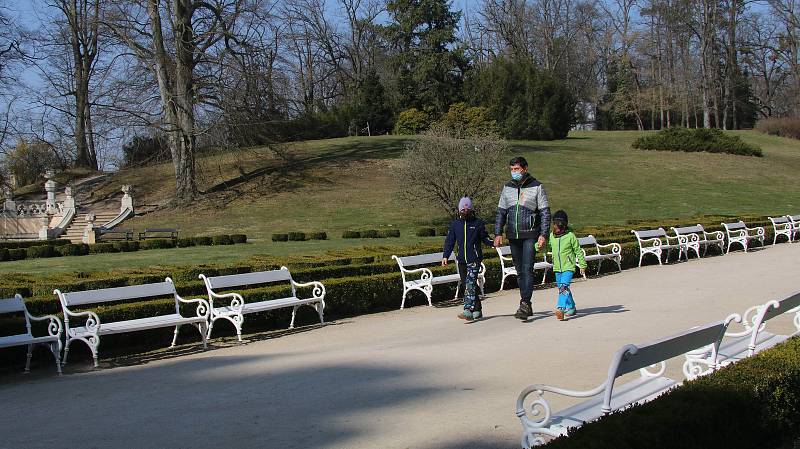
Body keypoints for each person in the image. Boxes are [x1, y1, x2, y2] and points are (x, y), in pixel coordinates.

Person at [493, 156, 551, 320]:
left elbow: (545, 212)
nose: (514, 172)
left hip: (530, 234)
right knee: (519, 272)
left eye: (516, 169)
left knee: (527, 269)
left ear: (525, 168)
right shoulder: (507, 187)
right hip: (513, 235)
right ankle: (527, 304)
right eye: (511, 169)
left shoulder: (537, 186)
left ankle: (524, 303)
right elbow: (501, 212)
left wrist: (543, 234)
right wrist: (498, 233)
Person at [442, 197, 494, 321]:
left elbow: (484, 238)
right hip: (461, 260)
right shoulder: (455, 224)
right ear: (459, 210)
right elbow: (450, 241)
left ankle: (467, 310)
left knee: (470, 283)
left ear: (471, 210)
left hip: (474, 259)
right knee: (468, 284)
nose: (465, 211)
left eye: (467, 209)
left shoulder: (477, 223)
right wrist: (445, 255)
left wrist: (492, 243)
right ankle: (477, 309)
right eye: (462, 209)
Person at [536, 210, 586, 320]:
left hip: (568, 266)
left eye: (560, 226)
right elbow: (546, 247)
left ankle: (560, 308)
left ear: (564, 226)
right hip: (557, 267)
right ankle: (571, 306)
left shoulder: (570, 236)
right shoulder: (552, 237)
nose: (557, 228)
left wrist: (582, 265)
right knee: (563, 287)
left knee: (563, 287)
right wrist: (538, 246)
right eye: (555, 225)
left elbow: (578, 251)